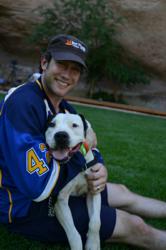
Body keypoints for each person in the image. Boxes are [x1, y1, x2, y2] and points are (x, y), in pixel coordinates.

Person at [0, 34, 166, 249]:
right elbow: (38, 186)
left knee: (123, 193)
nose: (67, 74)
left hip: (61, 186)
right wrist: (82, 156)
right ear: (44, 62)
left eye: (75, 69)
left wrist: (99, 168)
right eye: (61, 64)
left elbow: (88, 146)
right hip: (26, 207)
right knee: (135, 226)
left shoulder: (65, 108)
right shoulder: (23, 102)